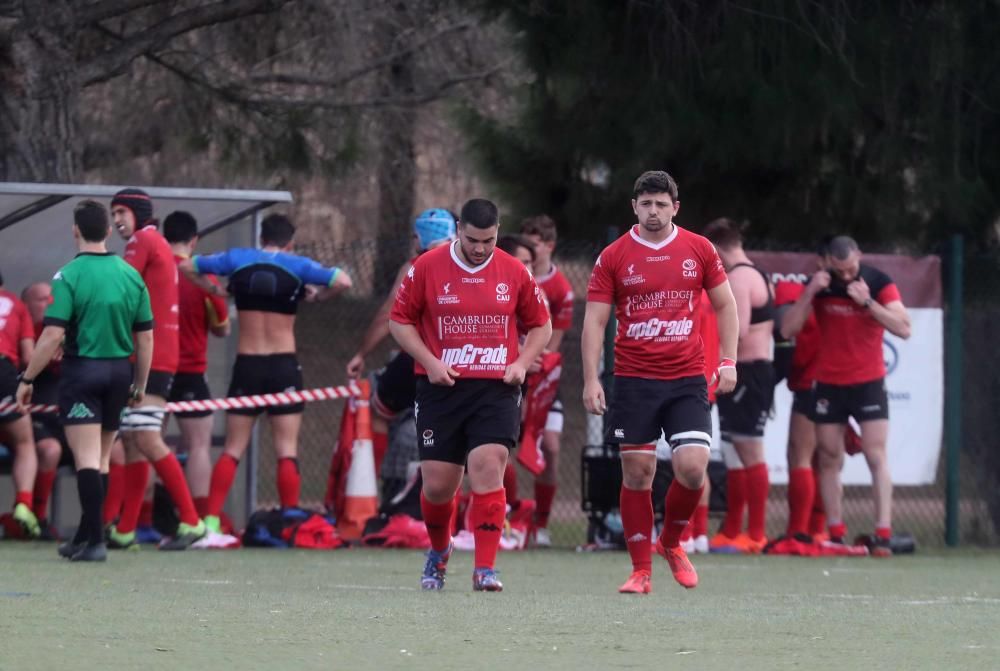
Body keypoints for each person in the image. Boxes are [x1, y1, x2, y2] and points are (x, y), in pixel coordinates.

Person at [582, 170, 738, 595]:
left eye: (661, 204)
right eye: (646, 204)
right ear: (634, 207)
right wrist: (591, 378)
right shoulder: (614, 256)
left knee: (691, 469)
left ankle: (670, 542)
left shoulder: (698, 249)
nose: (654, 212)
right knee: (638, 473)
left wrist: (728, 360)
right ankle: (640, 571)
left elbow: (726, 305)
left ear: (675, 207)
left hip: (686, 376)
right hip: (633, 378)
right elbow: (595, 320)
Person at [389, 198, 551, 592]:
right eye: (474, 239)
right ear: (459, 229)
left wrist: (520, 362)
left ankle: (485, 568)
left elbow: (541, 325)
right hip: (441, 388)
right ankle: (440, 551)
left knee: (488, 463)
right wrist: (428, 361)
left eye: (489, 240)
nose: (480, 248)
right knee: (439, 486)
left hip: (495, 388)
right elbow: (400, 321)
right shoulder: (426, 267)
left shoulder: (513, 270)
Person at [179, 213, 352, 533]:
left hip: (248, 364)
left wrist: (217, 291)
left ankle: (211, 521)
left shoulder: (238, 259)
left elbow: (187, 266)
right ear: (290, 242)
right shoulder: (297, 264)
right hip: (283, 365)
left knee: (234, 447)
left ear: (261, 239)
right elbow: (343, 280)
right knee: (287, 447)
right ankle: (288, 521)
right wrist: (317, 296)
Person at [15, 200, 153, 561]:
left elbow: (51, 336)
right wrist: (139, 385)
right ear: (109, 231)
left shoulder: (68, 276)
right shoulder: (131, 275)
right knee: (103, 458)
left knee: (87, 460)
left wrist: (27, 378)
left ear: (75, 230)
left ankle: (95, 543)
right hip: (120, 372)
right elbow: (146, 338)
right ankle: (87, 536)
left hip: (84, 373)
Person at [781, 236, 911, 556]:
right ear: (825, 263)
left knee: (874, 454)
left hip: (869, 382)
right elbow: (787, 330)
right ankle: (836, 534)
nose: (847, 275)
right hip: (828, 383)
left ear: (860, 257)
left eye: (851, 268)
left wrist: (868, 302)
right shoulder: (820, 284)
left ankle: (883, 533)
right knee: (828, 457)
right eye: (839, 270)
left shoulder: (878, 282)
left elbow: (904, 328)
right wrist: (810, 292)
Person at [107, 188, 206, 550]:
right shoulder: (155, 242)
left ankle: (192, 522)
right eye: (112, 213)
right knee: (134, 440)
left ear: (138, 213)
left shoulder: (141, 242)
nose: (116, 220)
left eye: (121, 212)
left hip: (151, 357)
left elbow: (116, 288)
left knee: (146, 437)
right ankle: (125, 529)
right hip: (157, 355)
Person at [345, 209, 457, 470]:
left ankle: (371, 486)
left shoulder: (416, 267)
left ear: (422, 237)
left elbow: (388, 315)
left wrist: (361, 354)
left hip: (422, 359)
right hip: (467, 360)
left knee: (379, 411)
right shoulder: (473, 266)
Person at [702, 218, 775, 554]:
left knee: (749, 450)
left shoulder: (741, 277)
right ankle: (732, 529)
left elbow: (739, 329)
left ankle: (756, 533)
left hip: (749, 371)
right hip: (739, 372)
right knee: (732, 453)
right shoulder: (753, 273)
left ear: (717, 249)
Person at [163, 211, 231, 519]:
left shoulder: (153, 272)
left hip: (154, 372)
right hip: (190, 372)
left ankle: (143, 518)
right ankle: (199, 518)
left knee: (149, 442)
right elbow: (223, 328)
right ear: (194, 240)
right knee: (199, 445)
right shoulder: (203, 279)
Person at [765, 240, 829, 555]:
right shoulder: (802, 290)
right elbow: (788, 329)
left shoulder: (849, 292)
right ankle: (817, 531)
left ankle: (801, 531)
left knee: (803, 455)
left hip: (821, 383)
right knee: (821, 460)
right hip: (829, 383)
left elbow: (787, 329)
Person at [519, 215, 574, 546]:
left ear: (549, 246)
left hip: (543, 376)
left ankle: (541, 524)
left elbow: (555, 340)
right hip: (511, 370)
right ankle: (507, 518)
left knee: (551, 447)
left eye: (535, 242)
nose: (529, 247)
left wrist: (535, 364)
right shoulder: (513, 277)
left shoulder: (561, 288)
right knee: (501, 447)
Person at [21, 281, 64, 539]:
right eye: (41, 299)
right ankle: (38, 519)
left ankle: (107, 524)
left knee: (114, 450)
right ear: (25, 306)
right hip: (38, 422)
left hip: (70, 420)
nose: (49, 303)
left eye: (52, 298)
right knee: (50, 450)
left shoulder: (67, 331)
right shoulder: (21, 336)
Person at [0, 272, 39, 537]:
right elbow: (28, 356)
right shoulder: (16, 304)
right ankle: (24, 504)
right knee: (25, 443)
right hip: (3, 372)